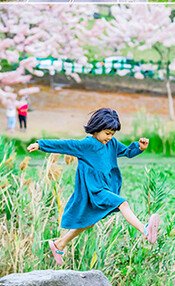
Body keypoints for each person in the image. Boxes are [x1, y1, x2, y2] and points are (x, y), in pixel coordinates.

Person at [26, 107, 159, 265]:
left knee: (89, 222)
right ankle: (145, 230)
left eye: (112, 134)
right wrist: (40, 145)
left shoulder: (112, 144)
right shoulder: (86, 145)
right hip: (94, 190)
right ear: (97, 128)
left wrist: (139, 147)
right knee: (123, 203)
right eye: (107, 133)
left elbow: (127, 152)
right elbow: (64, 145)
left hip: (106, 186)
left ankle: (59, 244)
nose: (109, 137)